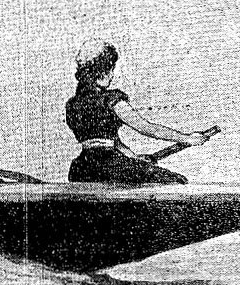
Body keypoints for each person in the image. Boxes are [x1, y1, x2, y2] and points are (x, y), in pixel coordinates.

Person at [66, 42, 208, 184]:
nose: (112, 76)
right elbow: (147, 128)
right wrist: (187, 138)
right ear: (101, 72)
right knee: (178, 181)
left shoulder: (72, 105)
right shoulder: (111, 100)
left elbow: (105, 142)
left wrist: (133, 157)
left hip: (81, 168)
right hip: (111, 166)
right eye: (111, 70)